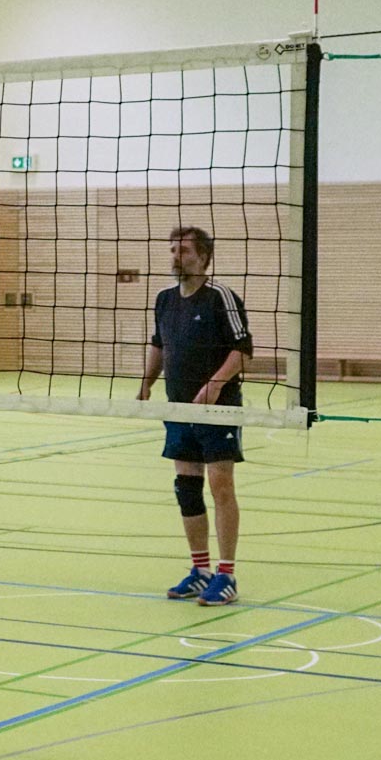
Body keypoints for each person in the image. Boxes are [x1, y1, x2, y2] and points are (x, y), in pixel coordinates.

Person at [137, 226, 253, 607]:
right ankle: (200, 570)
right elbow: (159, 345)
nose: (176, 256)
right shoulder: (164, 299)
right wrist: (147, 382)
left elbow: (243, 350)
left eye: (184, 250)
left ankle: (226, 575)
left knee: (221, 487)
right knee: (186, 489)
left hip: (217, 409)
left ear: (203, 257)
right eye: (173, 249)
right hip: (178, 408)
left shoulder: (220, 297)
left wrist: (216, 384)